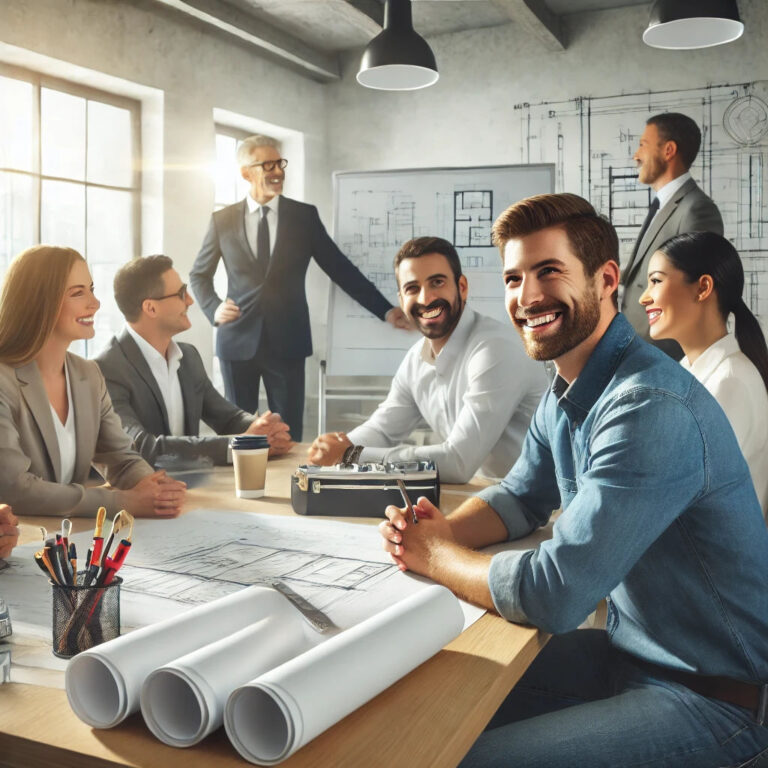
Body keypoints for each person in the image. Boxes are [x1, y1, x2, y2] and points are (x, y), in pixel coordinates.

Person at [379, 194, 768, 768]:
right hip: (628, 658)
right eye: (514, 278)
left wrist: (436, 556)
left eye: (549, 271)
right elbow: (519, 497)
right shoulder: (566, 387)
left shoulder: (647, 405)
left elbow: (554, 593)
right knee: (423, 696)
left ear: (606, 280)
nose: (527, 296)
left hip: (711, 701)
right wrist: (440, 531)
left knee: (460, 758)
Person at [189, 135, 410, 440]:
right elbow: (199, 275)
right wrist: (214, 308)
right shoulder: (222, 220)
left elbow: (340, 268)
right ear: (245, 173)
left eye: (280, 163)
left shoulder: (303, 217)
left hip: (288, 341)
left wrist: (385, 310)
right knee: (239, 433)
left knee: (288, 433)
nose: (278, 171)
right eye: (268, 165)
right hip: (236, 340)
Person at [308, 237, 547, 483]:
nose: (426, 298)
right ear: (402, 300)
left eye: (437, 282)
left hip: (539, 502)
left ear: (462, 287)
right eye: (412, 288)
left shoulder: (495, 349)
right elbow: (383, 430)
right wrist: (338, 446)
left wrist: (352, 455)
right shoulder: (416, 359)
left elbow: (458, 462)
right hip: (485, 494)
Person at [0, 246, 186, 518]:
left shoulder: (88, 374)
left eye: (91, 289)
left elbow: (120, 458)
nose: (95, 303)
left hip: (71, 535)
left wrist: (155, 488)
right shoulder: (4, 381)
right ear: (39, 302)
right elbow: (14, 489)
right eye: (78, 293)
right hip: (22, 537)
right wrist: (123, 502)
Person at [96, 255, 293, 468]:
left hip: (192, 482)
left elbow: (228, 418)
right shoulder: (106, 369)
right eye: (181, 293)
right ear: (151, 308)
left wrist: (263, 428)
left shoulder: (188, 356)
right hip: (144, 487)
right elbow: (140, 447)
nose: (190, 300)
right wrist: (239, 446)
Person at [639, 231, 768, 517]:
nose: (643, 298)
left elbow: (680, 496)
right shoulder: (688, 371)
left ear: (703, 288)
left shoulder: (729, 382)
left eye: (656, 281)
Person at [621, 112, 723, 358]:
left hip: (662, 354)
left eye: (643, 145)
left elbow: (697, 296)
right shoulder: (662, 206)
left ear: (668, 150)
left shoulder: (697, 209)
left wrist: (665, 357)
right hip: (638, 347)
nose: (636, 156)